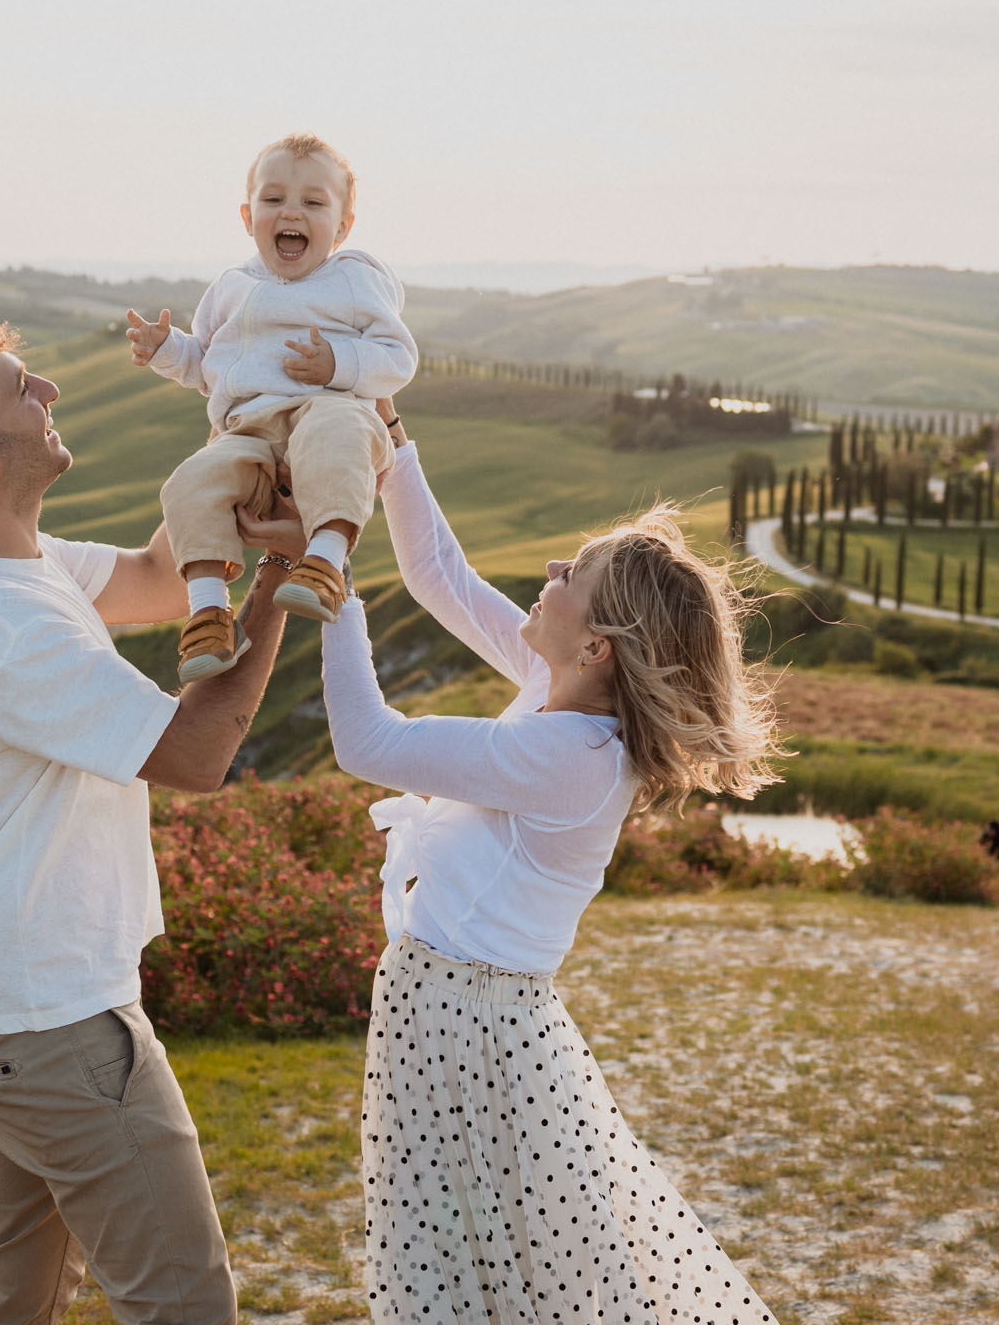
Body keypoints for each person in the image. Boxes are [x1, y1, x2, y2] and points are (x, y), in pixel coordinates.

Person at [0, 309, 293, 1325]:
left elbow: (149, 577)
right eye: (21, 389)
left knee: (16, 1297)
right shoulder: (0, 624)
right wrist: (284, 579)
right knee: (185, 1304)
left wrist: (252, 439)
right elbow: (196, 751)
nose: (47, 392)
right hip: (50, 1020)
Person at [314, 397, 783, 1322]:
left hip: (472, 1035)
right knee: (490, 1272)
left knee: (486, 1279)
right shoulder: (557, 696)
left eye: (576, 571)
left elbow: (368, 741)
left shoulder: (571, 758)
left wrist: (324, 578)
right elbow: (440, 576)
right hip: (450, 1018)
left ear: (597, 646)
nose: (551, 569)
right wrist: (394, 441)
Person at [126, 131, 417, 682]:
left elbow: (398, 356)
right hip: (247, 432)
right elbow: (205, 364)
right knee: (190, 481)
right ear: (247, 215)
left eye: (313, 202)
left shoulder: (353, 279)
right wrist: (167, 350)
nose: (292, 212)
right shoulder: (232, 286)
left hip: (328, 409)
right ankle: (209, 611)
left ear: (343, 226)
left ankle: (324, 562)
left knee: (336, 436)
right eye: (274, 199)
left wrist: (339, 365)